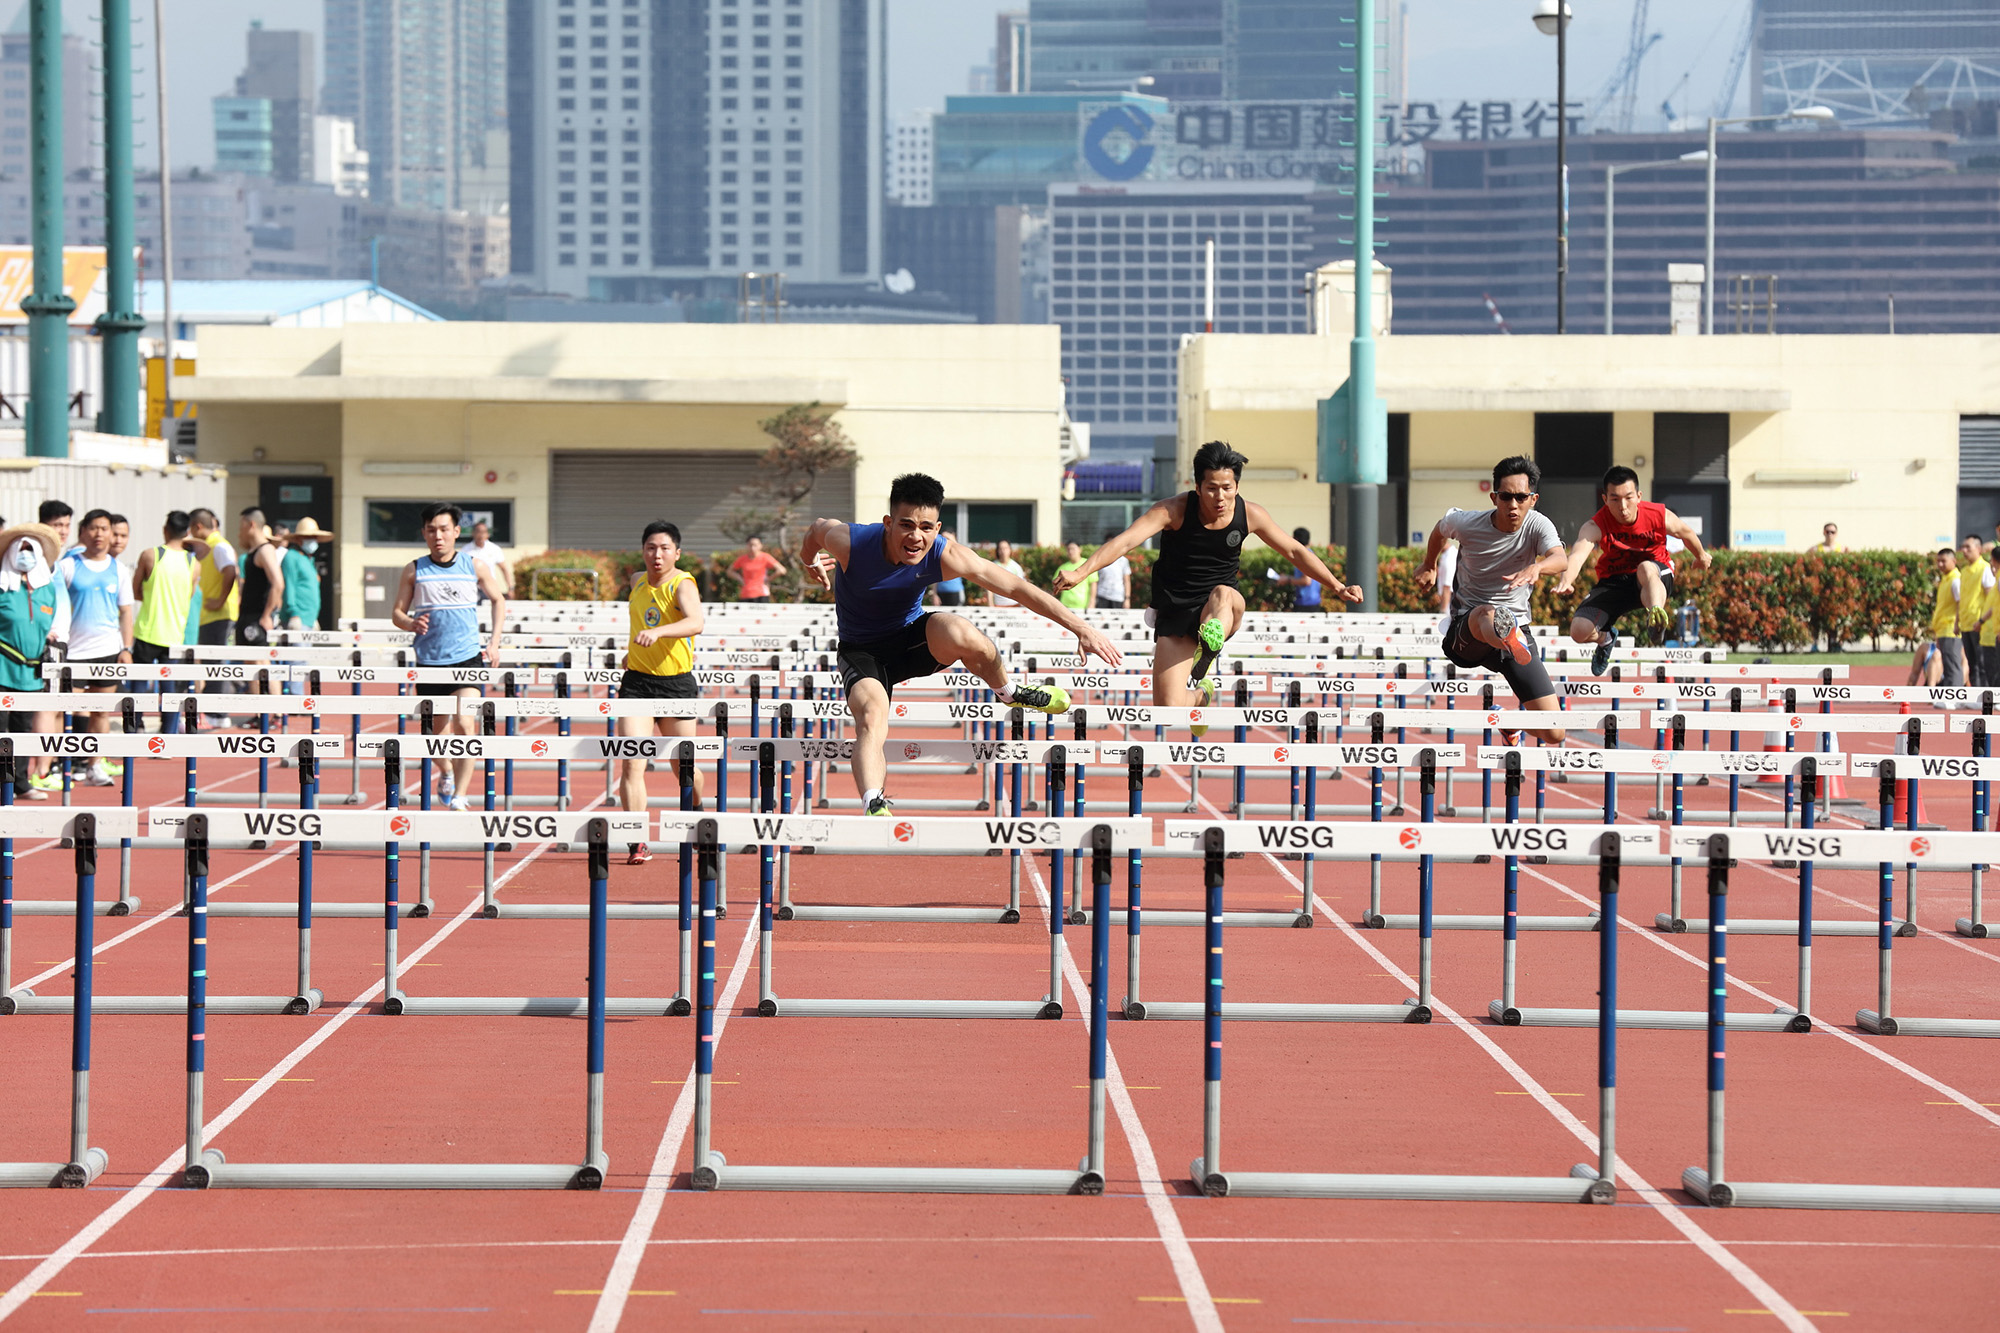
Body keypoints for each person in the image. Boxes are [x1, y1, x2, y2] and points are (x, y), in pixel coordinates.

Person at [800, 472, 1120, 815]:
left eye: (926, 527)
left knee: (962, 631)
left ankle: (1010, 692)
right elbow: (816, 528)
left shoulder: (945, 554)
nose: (915, 536)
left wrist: (1080, 628)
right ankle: (874, 803)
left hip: (912, 640)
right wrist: (810, 562)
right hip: (861, 650)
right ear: (888, 523)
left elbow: (1016, 588)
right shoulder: (852, 543)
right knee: (871, 715)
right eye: (906, 525)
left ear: (937, 529)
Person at [1054, 440, 1360, 707]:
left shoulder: (1250, 514)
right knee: (1168, 707)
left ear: (1237, 487)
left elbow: (1294, 551)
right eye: (1211, 489)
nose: (1220, 497)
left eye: (1227, 488)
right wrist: (1081, 571)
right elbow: (1126, 541)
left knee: (1222, 594)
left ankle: (1211, 642)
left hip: (1221, 607)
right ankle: (1203, 693)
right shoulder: (1173, 510)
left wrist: (1336, 585)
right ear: (1197, 486)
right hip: (1177, 608)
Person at [1415, 456, 1568, 745]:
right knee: (1488, 613)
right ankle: (1504, 634)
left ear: (1533, 499)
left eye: (1521, 497)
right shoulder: (1467, 523)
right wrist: (1429, 564)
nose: (1513, 505)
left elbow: (1560, 559)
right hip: (1468, 631)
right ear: (1493, 497)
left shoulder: (1538, 525)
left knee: (1554, 732)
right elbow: (1439, 529)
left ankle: (1508, 720)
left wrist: (1538, 567)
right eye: (1506, 497)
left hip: (1516, 628)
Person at [391, 503, 509, 809]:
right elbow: (397, 614)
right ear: (424, 533)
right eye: (432, 530)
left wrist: (494, 643)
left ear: (456, 532)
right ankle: (446, 772)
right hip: (430, 661)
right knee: (435, 737)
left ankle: (460, 794)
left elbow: (498, 601)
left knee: (465, 722)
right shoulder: (414, 569)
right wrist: (411, 623)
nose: (438, 536)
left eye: (444, 529)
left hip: (468, 658)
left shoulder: (474, 566)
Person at [1556, 465, 1712, 676]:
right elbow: (1577, 554)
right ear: (1605, 499)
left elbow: (1685, 532)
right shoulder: (1596, 524)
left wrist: (1701, 556)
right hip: (1615, 581)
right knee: (1579, 631)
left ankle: (1655, 615)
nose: (1623, 506)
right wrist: (1566, 580)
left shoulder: (1657, 515)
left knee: (1645, 567)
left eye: (1628, 498)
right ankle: (1606, 639)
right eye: (1615, 499)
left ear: (1639, 496)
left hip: (1654, 578)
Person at [617, 521, 706, 863]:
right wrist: (634, 652)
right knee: (632, 764)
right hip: (637, 684)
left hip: (675, 685)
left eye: (665, 548)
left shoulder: (682, 584)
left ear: (677, 553)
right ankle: (636, 839)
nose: (657, 555)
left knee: (682, 765)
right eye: (651, 548)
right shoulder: (637, 581)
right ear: (643, 551)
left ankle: (697, 810)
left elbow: (695, 622)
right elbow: (640, 622)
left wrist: (660, 633)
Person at [55, 510, 135, 786]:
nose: (99, 534)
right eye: (93, 528)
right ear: (82, 533)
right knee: (66, 709)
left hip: (107, 650)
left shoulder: (119, 569)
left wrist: (126, 648)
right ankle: (62, 762)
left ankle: (93, 765)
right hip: (75, 651)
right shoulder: (68, 566)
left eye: (104, 529)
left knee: (101, 711)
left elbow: (126, 612)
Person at [0, 523, 66, 797]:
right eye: (21, 548)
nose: (25, 554)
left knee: (24, 728)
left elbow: (47, 622)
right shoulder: (3, 585)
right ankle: (2, 784)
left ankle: (21, 782)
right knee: (1, 729)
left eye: (30, 549)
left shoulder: (46, 589)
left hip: (31, 671)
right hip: (2, 669)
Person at [131, 511, 201, 668]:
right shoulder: (194, 564)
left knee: (139, 687)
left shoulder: (150, 555)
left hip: (147, 632)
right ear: (188, 532)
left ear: (165, 529)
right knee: (169, 688)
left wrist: (154, 598)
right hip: (174, 634)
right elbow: (188, 596)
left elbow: (135, 591)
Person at [232, 508, 286, 648]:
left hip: (256, 618)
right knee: (249, 663)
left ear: (251, 525)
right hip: (247, 615)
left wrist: (266, 616)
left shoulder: (265, 550)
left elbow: (278, 583)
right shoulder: (253, 552)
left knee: (259, 662)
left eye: (242, 526)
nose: (240, 531)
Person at [189, 508, 238, 648]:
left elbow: (230, 571)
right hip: (210, 617)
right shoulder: (209, 546)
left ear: (198, 527)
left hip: (219, 617)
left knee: (216, 664)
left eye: (191, 529)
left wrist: (219, 601)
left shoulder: (219, 546)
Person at [1925, 546, 1967, 690]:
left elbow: (1961, 603)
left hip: (1951, 629)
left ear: (1954, 561)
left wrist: (1957, 624)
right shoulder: (1945, 580)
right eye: (1938, 561)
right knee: (1948, 664)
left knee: (1952, 664)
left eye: (1943, 561)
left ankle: (1954, 695)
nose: (1940, 564)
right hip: (1943, 629)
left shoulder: (1955, 580)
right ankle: (1951, 693)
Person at [281, 518, 330, 629]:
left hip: (309, 619)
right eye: (308, 537)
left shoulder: (309, 560)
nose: (312, 540)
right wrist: (294, 613)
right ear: (298, 539)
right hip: (297, 618)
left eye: (314, 537)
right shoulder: (292, 557)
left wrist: (313, 617)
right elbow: (289, 585)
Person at [1961, 534, 1993, 689]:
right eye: (1963, 547)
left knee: (1982, 663)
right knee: (1972, 662)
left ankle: (1984, 696)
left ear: (1979, 549)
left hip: (1979, 623)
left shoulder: (1985, 569)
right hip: (1966, 624)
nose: (1964, 550)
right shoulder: (1965, 571)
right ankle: (1974, 695)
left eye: (1968, 547)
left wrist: (1983, 620)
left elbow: (1990, 597)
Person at [730, 535, 786, 604]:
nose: (753, 548)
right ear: (747, 545)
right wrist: (740, 579)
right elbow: (730, 571)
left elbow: (782, 570)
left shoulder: (765, 557)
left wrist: (768, 579)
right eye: (750, 545)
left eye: (755, 545)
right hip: (746, 593)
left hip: (761, 593)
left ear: (760, 546)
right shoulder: (742, 559)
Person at [466, 520, 512, 601]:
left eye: (484, 532)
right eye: (478, 532)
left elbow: (504, 569)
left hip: (490, 588)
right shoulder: (466, 551)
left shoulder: (494, 549)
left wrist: (510, 588)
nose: (481, 535)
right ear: (473, 533)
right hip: (472, 589)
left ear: (488, 534)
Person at [1285, 526, 1324, 612]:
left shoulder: (1304, 556)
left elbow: (1306, 581)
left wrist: (1286, 580)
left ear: (1296, 539)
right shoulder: (1311, 553)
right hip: (1313, 601)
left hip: (1306, 602)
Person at [1054, 540, 1096, 611]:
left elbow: (1093, 585)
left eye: (1073, 549)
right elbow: (1056, 586)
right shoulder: (1062, 568)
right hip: (1065, 606)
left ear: (1080, 549)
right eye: (1068, 549)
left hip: (1082, 606)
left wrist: (1092, 603)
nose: (1070, 551)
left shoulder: (1087, 564)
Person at [931, 529, 966, 606]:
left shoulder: (959, 554)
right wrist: (934, 595)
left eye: (947, 539)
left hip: (955, 592)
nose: (945, 542)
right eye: (942, 538)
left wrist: (953, 543)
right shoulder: (936, 556)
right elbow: (934, 577)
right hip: (941, 593)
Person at [985, 539, 1025, 608]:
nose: (1003, 551)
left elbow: (1021, 588)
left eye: (1005, 548)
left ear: (1010, 550)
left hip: (1014, 605)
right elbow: (989, 587)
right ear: (997, 550)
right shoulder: (993, 566)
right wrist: (991, 605)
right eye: (1001, 548)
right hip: (999, 605)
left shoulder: (1016, 567)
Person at [1093, 544, 1131, 611]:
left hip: (1117, 596)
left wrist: (1127, 599)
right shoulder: (1101, 559)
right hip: (1102, 595)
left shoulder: (1123, 560)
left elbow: (1127, 580)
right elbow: (1096, 579)